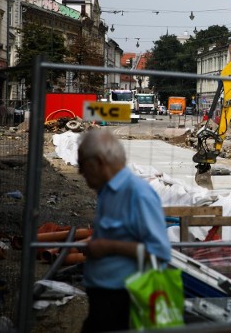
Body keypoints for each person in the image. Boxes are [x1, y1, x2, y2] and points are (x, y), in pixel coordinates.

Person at [77, 128, 172, 332]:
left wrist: (109, 246)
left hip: (123, 300)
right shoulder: (107, 191)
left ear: (100, 162)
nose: (80, 173)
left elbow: (160, 251)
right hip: (103, 295)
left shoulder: (138, 194)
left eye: (82, 165)